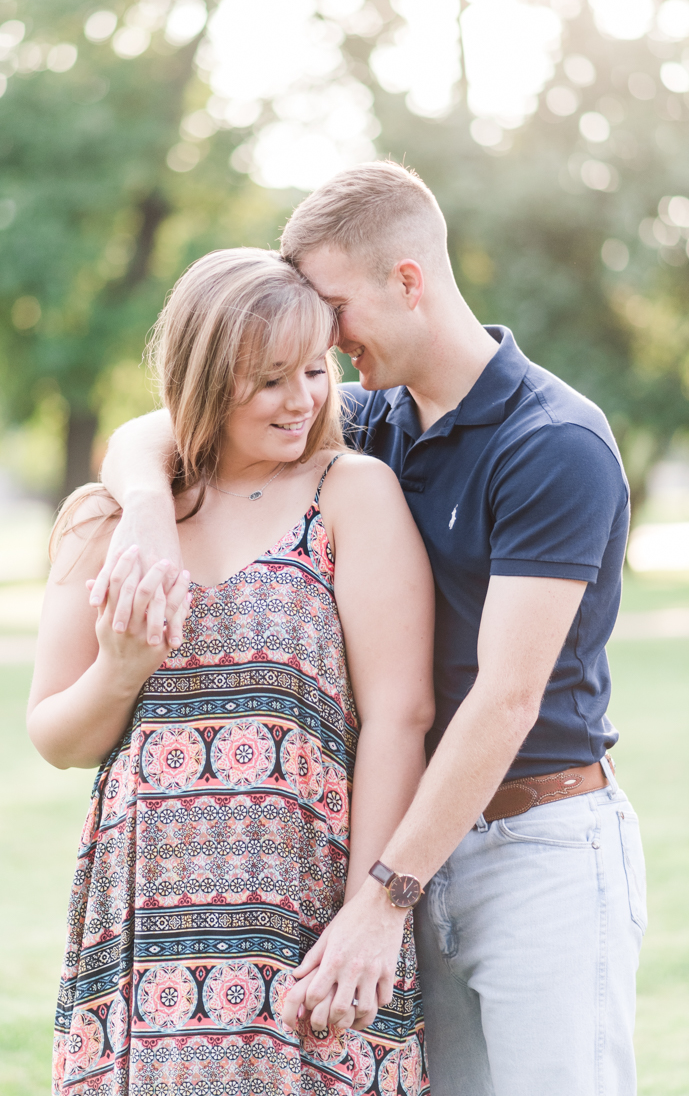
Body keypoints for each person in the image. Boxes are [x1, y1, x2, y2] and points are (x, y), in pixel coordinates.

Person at [94, 162, 647, 1096]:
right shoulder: (370, 421)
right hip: (410, 847)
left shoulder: (553, 442)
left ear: (408, 279)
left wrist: (381, 900)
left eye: (336, 307)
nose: (325, 341)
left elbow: (504, 701)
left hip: (536, 848)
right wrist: (145, 514)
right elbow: (166, 425)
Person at [27, 248, 435, 1096]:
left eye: (314, 370)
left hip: (306, 906)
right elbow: (55, 736)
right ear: (205, 377)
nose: (304, 400)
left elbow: (400, 715)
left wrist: (369, 916)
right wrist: (120, 670)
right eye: (269, 379)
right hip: (148, 928)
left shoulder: (349, 492)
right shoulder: (110, 519)